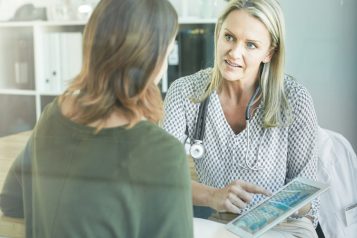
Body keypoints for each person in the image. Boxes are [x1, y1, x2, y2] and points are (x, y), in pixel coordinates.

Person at [0, 0, 194, 237]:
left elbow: (11, 202)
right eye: (168, 53)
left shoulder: (51, 116)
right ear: (150, 59)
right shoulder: (163, 153)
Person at [162, 0, 319, 237]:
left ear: (269, 53)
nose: (234, 53)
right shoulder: (185, 93)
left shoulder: (294, 99)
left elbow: (308, 200)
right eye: (229, 37)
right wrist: (212, 196)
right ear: (217, 34)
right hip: (223, 225)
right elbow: (161, 176)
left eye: (251, 45)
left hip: (285, 225)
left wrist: (285, 204)